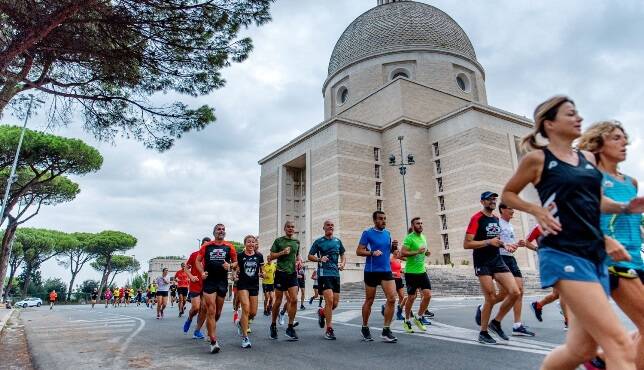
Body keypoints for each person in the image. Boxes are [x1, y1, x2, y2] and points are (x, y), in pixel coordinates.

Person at [501, 95, 643, 369]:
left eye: (578, 113)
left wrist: (626, 207)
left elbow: (598, 200)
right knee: (620, 345)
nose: (578, 118)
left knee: (581, 349)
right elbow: (508, 194)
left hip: (594, 255)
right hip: (563, 251)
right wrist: (536, 210)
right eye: (570, 114)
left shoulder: (588, 158)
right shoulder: (537, 159)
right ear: (550, 124)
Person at [579, 120, 644, 369]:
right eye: (616, 138)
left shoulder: (631, 182)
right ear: (599, 142)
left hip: (636, 257)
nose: (624, 143)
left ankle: (602, 358)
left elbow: (634, 223)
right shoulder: (592, 176)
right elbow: (586, 212)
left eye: (624, 138)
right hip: (611, 259)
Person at [464, 191, 521, 344]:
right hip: (482, 262)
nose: (492, 201)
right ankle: (483, 332)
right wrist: (488, 242)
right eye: (489, 199)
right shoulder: (476, 218)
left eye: (494, 199)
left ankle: (495, 323)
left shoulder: (496, 219)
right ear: (482, 202)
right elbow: (467, 243)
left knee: (515, 292)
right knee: (490, 297)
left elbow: (497, 240)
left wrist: (505, 245)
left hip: (497, 260)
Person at [356, 210, 398, 343]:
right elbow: (359, 251)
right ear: (374, 220)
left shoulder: (387, 234)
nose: (383, 221)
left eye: (385, 218)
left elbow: (388, 251)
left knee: (392, 299)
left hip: (386, 270)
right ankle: (364, 327)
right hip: (371, 270)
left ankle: (386, 330)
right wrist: (372, 253)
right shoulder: (367, 233)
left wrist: (393, 247)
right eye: (380, 219)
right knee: (369, 300)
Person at [496, 203, 536, 337]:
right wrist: (505, 246)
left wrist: (517, 245)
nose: (513, 211)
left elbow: (510, 246)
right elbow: (496, 242)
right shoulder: (497, 223)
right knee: (503, 294)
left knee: (519, 291)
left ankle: (517, 325)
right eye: (510, 209)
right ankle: (484, 308)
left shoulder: (510, 226)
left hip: (510, 258)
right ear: (502, 209)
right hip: (500, 258)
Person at [196, 224, 237, 354]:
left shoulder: (229, 246)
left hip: (222, 282)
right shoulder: (206, 246)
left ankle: (210, 328)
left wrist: (230, 266)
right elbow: (198, 261)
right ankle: (213, 341)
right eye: (219, 229)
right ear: (214, 232)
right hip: (209, 281)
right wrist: (202, 272)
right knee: (211, 310)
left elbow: (236, 262)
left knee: (218, 312)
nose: (221, 231)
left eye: (223, 229)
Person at [308, 220, 346, 340]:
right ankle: (329, 329)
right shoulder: (319, 241)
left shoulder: (337, 241)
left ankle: (322, 313)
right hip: (324, 274)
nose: (330, 227)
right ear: (323, 228)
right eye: (328, 225)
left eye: (332, 225)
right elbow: (310, 256)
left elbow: (343, 255)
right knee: (329, 301)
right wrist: (319, 259)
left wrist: (343, 264)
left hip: (336, 274)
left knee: (334, 304)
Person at [269, 221, 300, 341]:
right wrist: (282, 253)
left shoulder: (296, 242)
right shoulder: (279, 241)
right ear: (284, 228)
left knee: (294, 300)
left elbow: (296, 255)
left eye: (292, 227)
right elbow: (271, 256)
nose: (291, 229)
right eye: (288, 227)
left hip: (292, 273)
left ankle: (290, 327)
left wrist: (299, 260)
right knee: (278, 300)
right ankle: (273, 325)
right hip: (280, 273)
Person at [401, 217, 433, 333]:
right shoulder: (409, 238)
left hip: (422, 271)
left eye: (421, 223)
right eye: (417, 224)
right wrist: (417, 252)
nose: (420, 225)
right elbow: (402, 252)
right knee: (411, 297)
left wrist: (427, 252)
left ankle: (418, 317)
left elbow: (424, 250)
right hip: (411, 272)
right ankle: (407, 320)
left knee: (428, 295)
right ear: (413, 226)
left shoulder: (423, 237)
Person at [234, 235, 264, 348]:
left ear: (255, 244)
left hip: (254, 285)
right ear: (245, 244)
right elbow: (237, 269)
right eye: (248, 242)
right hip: (243, 285)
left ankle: (241, 324)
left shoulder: (259, 256)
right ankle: (245, 338)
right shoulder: (240, 256)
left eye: (253, 242)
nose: (251, 244)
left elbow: (262, 270)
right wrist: (234, 274)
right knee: (245, 308)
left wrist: (263, 274)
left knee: (253, 313)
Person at [183, 237, 211, 340]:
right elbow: (186, 268)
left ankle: (197, 331)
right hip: (195, 284)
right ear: (201, 245)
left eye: (208, 246)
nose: (206, 247)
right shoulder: (194, 255)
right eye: (204, 245)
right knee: (195, 307)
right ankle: (189, 319)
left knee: (204, 308)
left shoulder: (210, 257)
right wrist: (191, 277)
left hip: (207, 285)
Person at [382, 247, 406, 321]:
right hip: (392, 280)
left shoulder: (399, 260)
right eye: (396, 250)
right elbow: (386, 269)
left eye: (398, 250)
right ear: (393, 252)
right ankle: (385, 306)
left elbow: (399, 269)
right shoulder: (390, 260)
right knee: (393, 297)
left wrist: (403, 271)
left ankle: (399, 313)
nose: (398, 251)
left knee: (402, 296)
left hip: (399, 279)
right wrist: (392, 273)